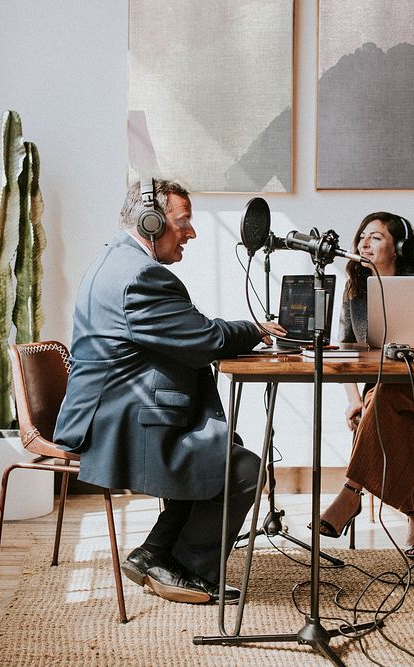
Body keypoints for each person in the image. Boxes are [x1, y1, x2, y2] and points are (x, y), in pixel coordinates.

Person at [53, 179, 284, 604]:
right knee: (242, 467)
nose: (191, 233)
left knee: (217, 448)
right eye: (184, 222)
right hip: (115, 422)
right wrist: (253, 330)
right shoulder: (140, 275)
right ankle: (183, 568)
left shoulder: (116, 259)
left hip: (111, 407)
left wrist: (235, 331)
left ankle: (154, 554)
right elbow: (203, 340)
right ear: (151, 222)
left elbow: (187, 331)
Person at [316, 212, 414, 561]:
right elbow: (346, 355)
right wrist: (353, 401)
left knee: (385, 398)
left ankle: (350, 492)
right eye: (362, 237)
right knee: (387, 404)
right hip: (387, 398)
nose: (364, 244)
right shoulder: (355, 294)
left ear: (399, 247)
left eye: (375, 237)